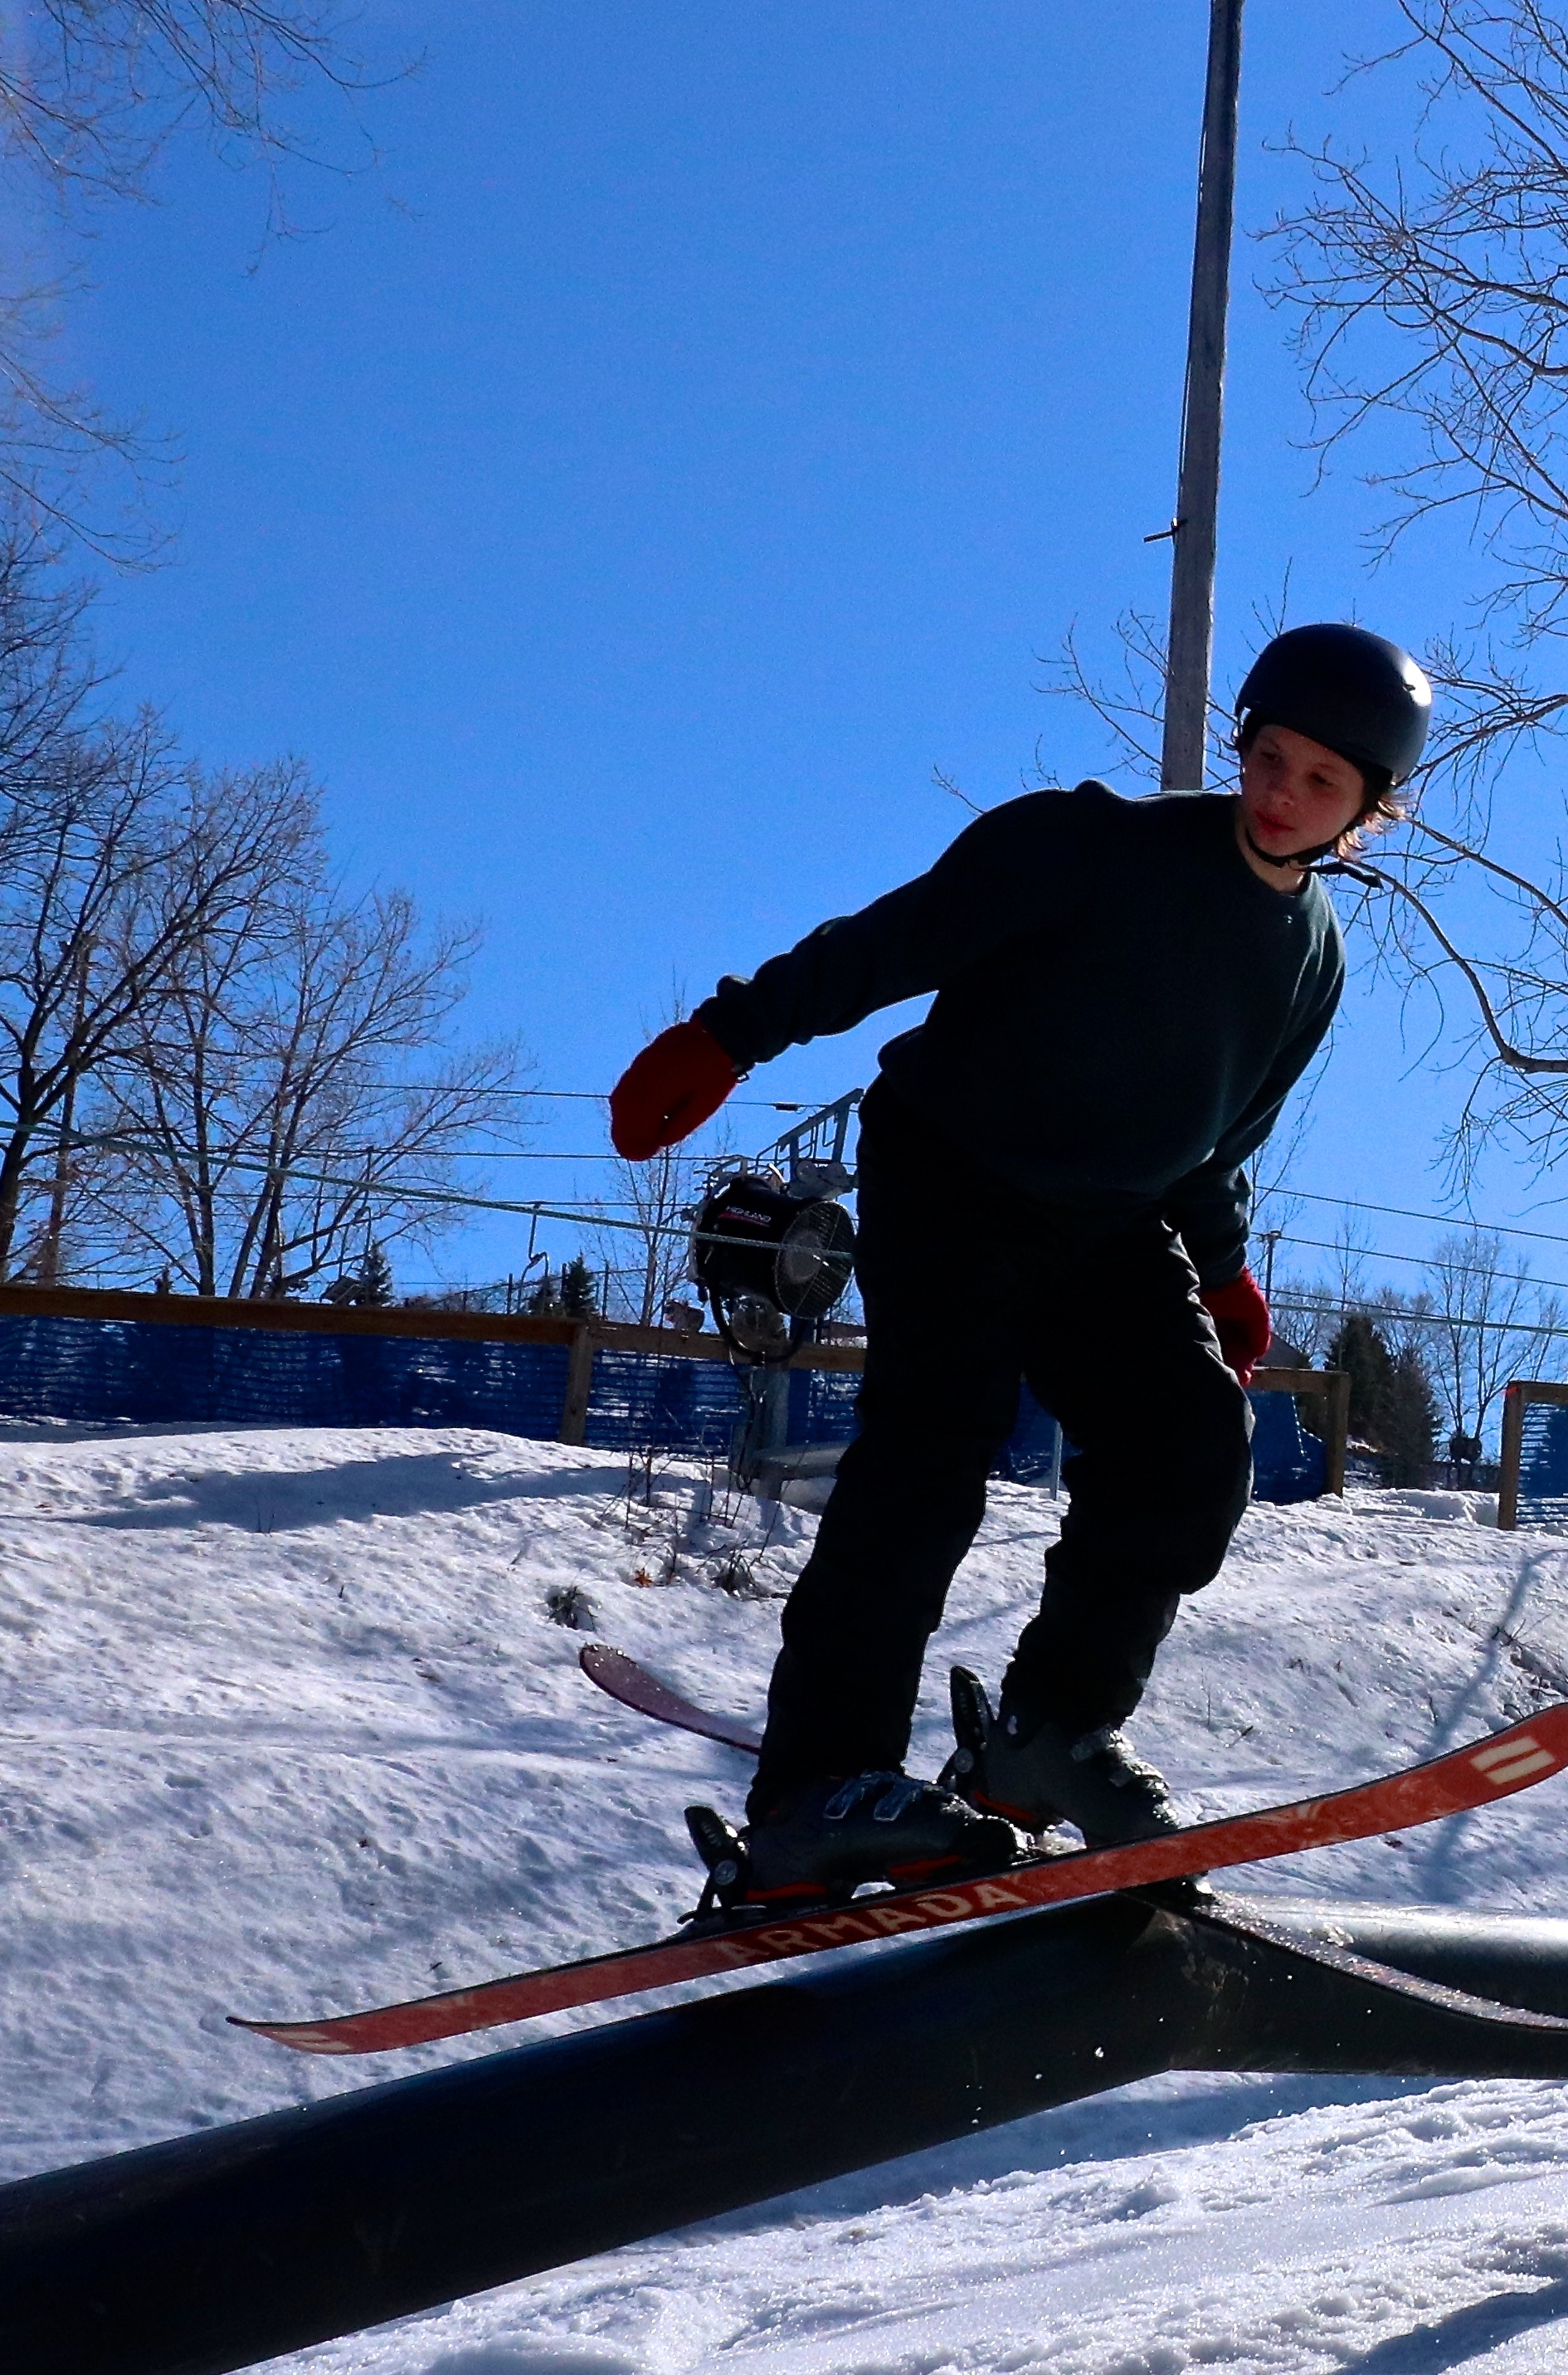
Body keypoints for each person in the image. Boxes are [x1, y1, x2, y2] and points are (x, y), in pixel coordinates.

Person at [605, 623, 1429, 1904]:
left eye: (1320, 783)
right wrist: (731, 1033)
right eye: (1268, 758)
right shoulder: (1095, 845)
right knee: (931, 1449)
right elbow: (899, 939)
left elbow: (1218, 1139)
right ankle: (820, 1792)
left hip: (1111, 1220)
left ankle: (1048, 1736)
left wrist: (1219, 1273)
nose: (1279, 796)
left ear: (1371, 810)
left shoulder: (1311, 959)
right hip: (955, 1165)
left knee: (1190, 1450)